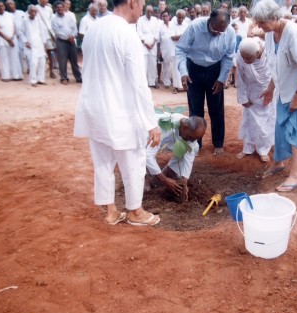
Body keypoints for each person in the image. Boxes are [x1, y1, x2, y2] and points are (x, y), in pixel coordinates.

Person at [74, 0, 162, 226]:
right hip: (118, 110)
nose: (142, 8)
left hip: (93, 107)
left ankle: (111, 211)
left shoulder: (94, 28)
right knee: (134, 160)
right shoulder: (126, 33)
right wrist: (151, 122)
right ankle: (135, 211)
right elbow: (139, 84)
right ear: (133, 2)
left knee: (102, 162)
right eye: (141, 3)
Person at [251, 0, 297, 192]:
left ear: (273, 17)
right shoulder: (271, 34)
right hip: (283, 88)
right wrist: (271, 88)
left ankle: (295, 175)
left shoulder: (295, 34)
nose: (259, 27)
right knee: (280, 127)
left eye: (261, 22)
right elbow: (275, 65)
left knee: (296, 129)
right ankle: (278, 163)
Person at [175, 9, 235, 156]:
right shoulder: (195, 27)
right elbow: (181, 50)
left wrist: (222, 78)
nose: (217, 34)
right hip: (194, 69)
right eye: (215, 30)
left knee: (217, 109)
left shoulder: (230, 32)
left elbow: (228, 57)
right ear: (209, 21)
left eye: (221, 32)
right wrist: (184, 72)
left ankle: (218, 143)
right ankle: (196, 144)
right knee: (195, 109)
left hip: (215, 70)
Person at [146, 115, 206, 200]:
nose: (192, 141)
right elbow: (148, 156)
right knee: (142, 152)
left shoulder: (190, 131)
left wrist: (184, 181)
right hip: (146, 139)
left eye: (195, 139)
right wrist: (164, 180)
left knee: (195, 147)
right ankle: (145, 177)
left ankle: (169, 171)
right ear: (184, 127)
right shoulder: (164, 128)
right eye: (192, 138)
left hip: (169, 141)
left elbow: (189, 158)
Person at [235, 37, 275, 163]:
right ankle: (248, 148)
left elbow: (276, 74)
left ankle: (263, 149)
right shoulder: (241, 55)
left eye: (248, 58)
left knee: (266, 122)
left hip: (268, 91)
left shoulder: (269, 52)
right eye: (243, 57)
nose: (244, 60)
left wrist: (272, 90)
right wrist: (243, 97)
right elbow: (240, 77)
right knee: (249, 120)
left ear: (257, 53)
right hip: (251, 91)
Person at [0, 1, 23, 82]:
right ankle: (6, 76)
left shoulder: (10, 15)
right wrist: (7, 39)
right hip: (2, 39)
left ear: (4, 7)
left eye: (2, 6)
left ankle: (16, 75)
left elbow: (14, 28)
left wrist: (12, 37)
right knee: (4, 57)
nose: (1, 8)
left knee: (14, 57)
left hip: (12, 39)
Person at [51, 1, 81, 85]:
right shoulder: (54, 19)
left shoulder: (69, 17)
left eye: (61, 7)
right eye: (58, 8)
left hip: (71, 40)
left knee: (74, 60)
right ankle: (63, 78)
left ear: (64, 7)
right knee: (62, 60)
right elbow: (57, 32)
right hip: (61, 42)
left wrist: (73, 36)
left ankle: (78, 77)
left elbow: (75, 28)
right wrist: (68, 38)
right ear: (55, 9)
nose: (59, 9)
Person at [22, 5, 47, 86]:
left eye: (35, 11)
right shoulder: (24, 20)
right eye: (31, 11)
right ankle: (33, 81)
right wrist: (25, 41)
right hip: (31, 44)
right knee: (33, 63)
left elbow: (42, 31)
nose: (33, 13)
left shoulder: (38, 19)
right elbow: (20, 32)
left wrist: (44, 43)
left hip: (39, 43)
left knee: (42, 62)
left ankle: (41, 79)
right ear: (28, 11)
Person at [137, 5, 160, 89]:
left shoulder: (155, 20)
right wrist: (146, 44)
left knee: (153, 64)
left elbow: (157, 33)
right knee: (144, 64)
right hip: (144, 45)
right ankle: (143, 83)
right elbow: (139, 33)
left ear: (153, 12)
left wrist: (153, 43)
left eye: (151, 12)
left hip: (153, 45)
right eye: (148, 11)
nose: (149, 13)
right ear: (145, 11)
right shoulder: (140, 20)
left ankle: (152, 82)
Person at [169, 9, 188, 93]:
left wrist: (181, 37)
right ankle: (176, 87)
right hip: (175, 50)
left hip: (185, 50)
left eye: (182, 17)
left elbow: (189, 37)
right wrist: (183, 36)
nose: (180, 19)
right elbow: (173, 37)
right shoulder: (172, 25)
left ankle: (185, 86)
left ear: (184, 17)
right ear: (176, 16)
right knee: (175, 69)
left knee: (184, 68)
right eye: (179, 17)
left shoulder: (187, 25)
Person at [36, 0, 56, 79]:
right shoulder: (35, 8)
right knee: (39, 55)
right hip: (39, 35)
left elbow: (51, 21)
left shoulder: (49, 9)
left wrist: (53, 34)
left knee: (50, 54)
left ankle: (51, 71)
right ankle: (39, 73)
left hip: (48, 34)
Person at [5, 0, 26, 74]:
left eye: (10, 4)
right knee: (17, 54)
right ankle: (20, 70)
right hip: (13, 37)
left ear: (14, 5)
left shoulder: (21, 13)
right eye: (7, 4)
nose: (9, 5)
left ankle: (30, 68)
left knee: (26, 53)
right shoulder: (6, 15)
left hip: (22, 36)